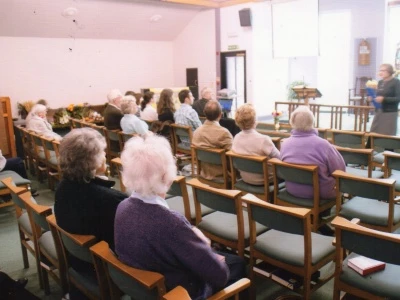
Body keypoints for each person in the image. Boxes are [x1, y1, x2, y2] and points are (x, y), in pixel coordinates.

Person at [115, 135, 246, 300]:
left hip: (143, 288)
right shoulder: (171, 223)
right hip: (178, 293)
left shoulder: (122, 207)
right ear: (166, 176)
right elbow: (219, 276)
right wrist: (204, 244)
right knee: (235, 264)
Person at [54, 128, 126, 277]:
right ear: (91, 161)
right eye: (102, 153)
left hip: (77, 259)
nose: (105, 155)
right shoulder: (111, 200)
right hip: (106, 269)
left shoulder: (63, 186)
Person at [280, 106, 346, 199]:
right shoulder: (323, 145)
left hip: (292, 189)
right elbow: (340, 170)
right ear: (312, 122)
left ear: (292, 123)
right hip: (319, 193)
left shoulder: (284, 143)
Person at [232, 104, 280, 185]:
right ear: (254, 121)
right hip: (266, 180)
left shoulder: (236, 138)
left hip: (244, 178)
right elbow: (280, 158)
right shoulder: (264, 140)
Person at [192, 101, 233, 180]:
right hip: (223, 175)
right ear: (220, 115)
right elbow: (233, 158)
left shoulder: (196, 132)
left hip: (203, 173)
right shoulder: (224, 133)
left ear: (205, 113)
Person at [368, 63, 400, 136]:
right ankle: (372, 147)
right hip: (379, 111)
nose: (380, 72)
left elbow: (398, 98)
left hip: (389, 113)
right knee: (374, 132)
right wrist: (372, 98)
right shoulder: (380, 82)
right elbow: (378, 96)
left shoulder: (396, 82)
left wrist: (384, 99)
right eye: (380, 70)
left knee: (387, 135)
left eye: (383, 70)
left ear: (389, 71)